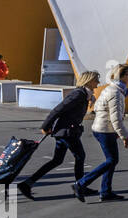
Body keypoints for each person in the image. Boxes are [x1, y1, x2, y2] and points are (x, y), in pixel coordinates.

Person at [18, 71, 99, 199]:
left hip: (66, 131)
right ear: (88, 81)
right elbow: (58, 109)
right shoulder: (78, 94)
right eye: (96, 80)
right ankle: (81, 186)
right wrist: (45, 126)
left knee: (57, 160)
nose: (98, 83)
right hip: (67, 132)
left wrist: (90, 99)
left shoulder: (85, 95)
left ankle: (26, 184)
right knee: (80, 156)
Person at [75, 63, 128, 203]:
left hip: (103, 128)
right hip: (105, 130)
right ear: (122, 76)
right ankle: (81, 184)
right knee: (112, 160)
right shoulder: (116, 93)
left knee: (111, 160)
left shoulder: (111, 89)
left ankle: (105, 191)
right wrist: (125, 136)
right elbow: (116, 119)